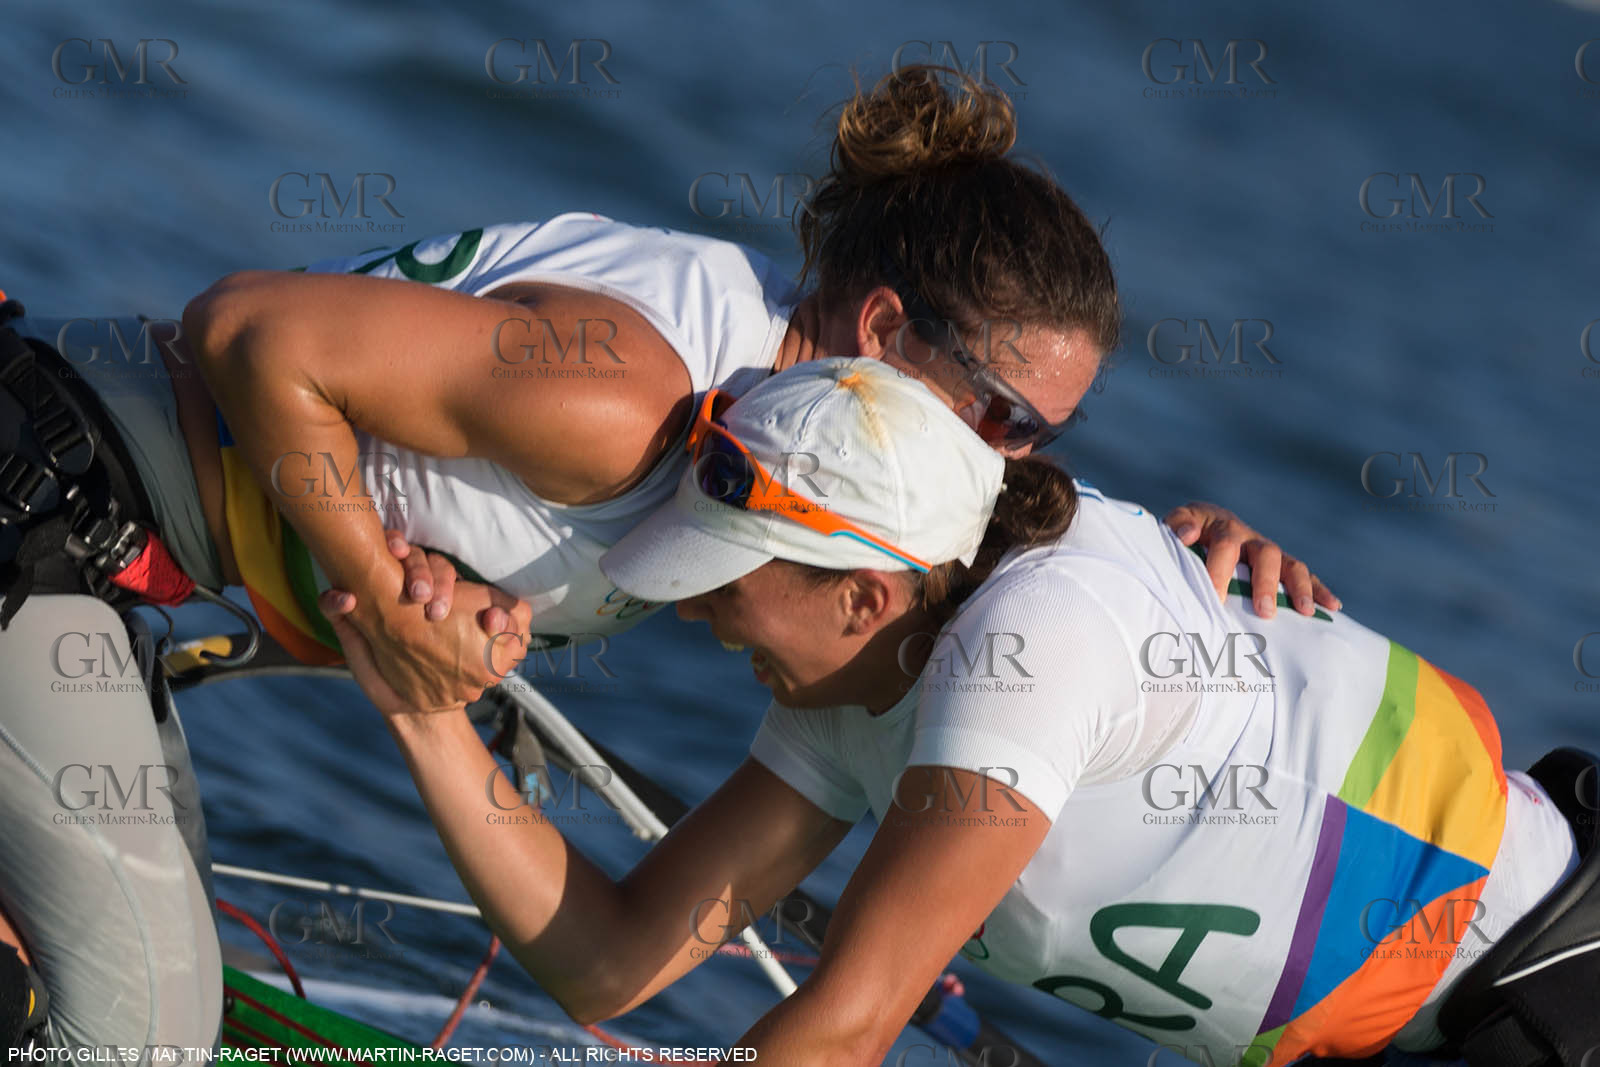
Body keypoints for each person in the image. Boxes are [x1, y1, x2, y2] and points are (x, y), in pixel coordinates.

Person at [0, 67, 1334, 1056]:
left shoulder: (801, 451)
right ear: (878, 325)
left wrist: (1184, 549)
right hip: (55, 508)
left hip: (122, 579)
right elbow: (245, 325)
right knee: (140, 1039)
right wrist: (376, 578)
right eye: (1008, 419)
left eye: (1053, 436)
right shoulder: (636, 391)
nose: (1015, 463)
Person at [324, 358, 1598, 1067]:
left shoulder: (1027, 645)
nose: (699, 621)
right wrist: (422, 708)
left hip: (1547, 979)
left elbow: (848, 1023)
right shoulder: (864, 665)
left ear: (868, 591)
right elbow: (611, 962)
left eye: (724, 585)